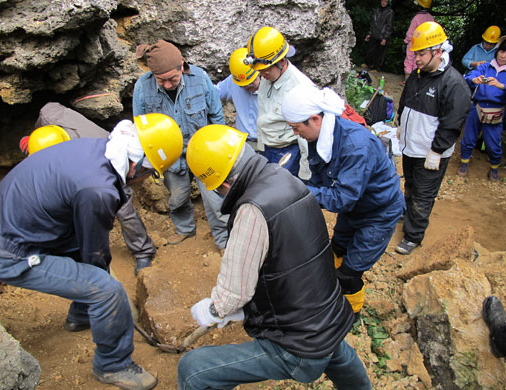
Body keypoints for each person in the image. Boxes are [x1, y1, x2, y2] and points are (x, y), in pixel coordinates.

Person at [0, 113, 183, 390]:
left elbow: (86, 241)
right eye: (150, 172)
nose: (147, 178)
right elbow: (95, 254)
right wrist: (104, 280)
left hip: (11, 221)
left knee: (83, 256)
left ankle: (80, 317)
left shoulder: (98, 148)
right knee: (105, 289)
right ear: (136, 165)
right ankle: (113, 365)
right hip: (8, 251)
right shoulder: (97, 190)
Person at [178, 124, 371, 390]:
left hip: (297, 347)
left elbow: (234, 292)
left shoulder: (252, 211)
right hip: (331, 319)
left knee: (192, 370)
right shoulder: (286, 178)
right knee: (335, 351)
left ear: (223, 184)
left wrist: (214, 310)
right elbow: (288, 261)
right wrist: (241, 310)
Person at [281, 84, 405, 318]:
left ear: (315, 119)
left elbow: (342, 199)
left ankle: (351, 312)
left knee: (350, 272)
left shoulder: (356, 146)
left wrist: (299, 190)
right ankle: (333, 292)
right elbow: (319, 178)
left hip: (378, 212)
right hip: (355, 208)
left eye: (297, 128)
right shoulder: (318, 137)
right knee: (337, 248)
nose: (296, 134)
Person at [19, 102, 157, 275]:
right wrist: (33, 139)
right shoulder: (50, 120)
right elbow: (48, 108)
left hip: (113, 157)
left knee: (123, 206)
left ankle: (143, 251)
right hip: (75, 164)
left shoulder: (99, 155)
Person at [133, 39, 228, 252]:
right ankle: (185, 229)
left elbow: (216, 115)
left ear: (182, 67)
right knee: (177, 198)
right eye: (161, 80)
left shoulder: (200, 78)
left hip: (204, 152)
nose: (167, 85)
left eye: (172, 79)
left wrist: (218, 150)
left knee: (215, 200)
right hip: (171, 157)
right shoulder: (142, 87)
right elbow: (141, 126)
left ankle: (223, 240)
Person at [396, 21, 471, 255]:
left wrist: (436, 151)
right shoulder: (419, 75)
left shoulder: (453, 83)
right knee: (410, 185)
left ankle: (413, 236)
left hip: (430, 152)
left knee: (423, 194)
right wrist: (400, 122)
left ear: (438, 51)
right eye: (415, 53)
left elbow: (452, 123)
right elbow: (406, 100)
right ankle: (408, 215)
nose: (416, 58)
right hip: (411, 146)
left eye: (421, 53)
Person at [244, 26, 314, 181]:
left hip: (289, 152)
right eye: (259, 70)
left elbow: (306, 139)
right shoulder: (268, 76)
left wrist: (304, 175)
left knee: (282, 195)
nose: (262, 74)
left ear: (281, 61)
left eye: (266, 70)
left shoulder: (299, 89)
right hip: (267, 148)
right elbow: (264, 114)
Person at [458, 36, 506, 181]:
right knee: (468, 138)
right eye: (502, 51)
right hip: (477, 106)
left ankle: (494, 168)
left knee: (493, 143)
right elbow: (470, 75)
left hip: (496, 111)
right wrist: (474, 79)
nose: (503, 55)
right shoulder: (486, 66)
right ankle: (464, 163)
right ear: (497, 51)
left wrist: (502, 86)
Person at [215, 47, 260, 150]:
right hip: (245, 143)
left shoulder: (272, 84)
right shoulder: (234, 81)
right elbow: (214, 93)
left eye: (251, 84)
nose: (248, 88)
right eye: (243, 86)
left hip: (269, 143)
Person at [402, 0, 434, 85]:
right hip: (425, 44)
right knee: (421, 62)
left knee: (410, 60)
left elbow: (411, 32)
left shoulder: (417, 17)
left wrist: (406, 41)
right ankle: (418, 81)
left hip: (414, 42)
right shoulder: (431, 17)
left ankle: (408, 81)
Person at [364, 0, 394, 71]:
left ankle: (377, 67)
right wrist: (369, 33)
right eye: (382, 1)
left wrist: (385, 38)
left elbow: (389, 26)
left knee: (380, 53)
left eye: (385, 1)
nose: (383, 3)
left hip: (382, 35)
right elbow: (373, 23)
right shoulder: (377, 10)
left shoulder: (390, 12)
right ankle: (369, 64)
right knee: (370, 50)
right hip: (374, 34)